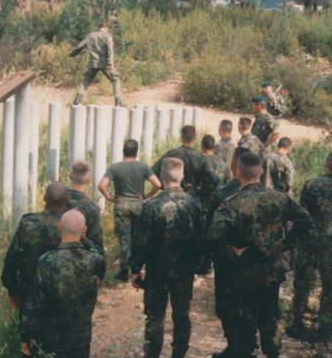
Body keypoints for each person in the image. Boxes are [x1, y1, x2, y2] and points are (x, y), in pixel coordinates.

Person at [208, 152, 312, 358]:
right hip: (272, 269)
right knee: (269, 318)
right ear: (262, 170)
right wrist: (284, 245)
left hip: (242, 272)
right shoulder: (280, 199)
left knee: (244, 324)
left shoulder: (232, 204)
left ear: (238, 172)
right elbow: (306, 221)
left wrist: (232, 253)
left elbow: (213, 236)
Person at [130, 158, 204, 358]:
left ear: (161, 177)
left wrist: (135, 269)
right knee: (182, 315)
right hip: (184, 271)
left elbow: (140, 241)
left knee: (155, 317)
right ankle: (179, 354)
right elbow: (201, 238)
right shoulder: (194, 204)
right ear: (182, 176)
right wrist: (198, 266)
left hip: (157, 270)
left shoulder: (151, 205)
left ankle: (152, 355)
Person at [20, 210, 106, 358]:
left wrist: (25, 336)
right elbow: (97, 250)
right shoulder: (95, 259)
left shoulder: (48, 262)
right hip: (81, 336)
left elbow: (34, 304)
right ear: (84, 230)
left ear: (59, 227)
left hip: (51, 338)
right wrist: (83, 238)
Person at [1, 182, 70, 355]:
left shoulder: (28, 222)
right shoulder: (72, 226)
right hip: (62, 296)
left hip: (28, 294)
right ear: (67, 200)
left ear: (45, 199)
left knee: (29, 344)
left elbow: (12, 260)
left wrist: (13, 290)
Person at [98, 139, 161, 280]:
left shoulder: (115, 167)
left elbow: (101, 185)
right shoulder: (143, 167)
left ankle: (124, 271)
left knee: (124, 239)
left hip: (121, 205)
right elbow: (157, 184)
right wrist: (147, 195)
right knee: (138, 237)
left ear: (123, 151)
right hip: (138, 205)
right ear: (136, 152)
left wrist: (108, 197)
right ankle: (136, 268)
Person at [206, 147, 248, 358]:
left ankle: (234, 346)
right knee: (249, 305)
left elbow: (209, 232)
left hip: (226, 261)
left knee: (225, 305)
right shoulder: (271, 196)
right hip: (256, 261)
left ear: (233, 167)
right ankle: (247, 348)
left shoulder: (221, 195)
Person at [288, 152, 332, 341]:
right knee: (330, 286)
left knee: (303, 283)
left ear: (326, 164)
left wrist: (295, 238)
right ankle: (325, 327)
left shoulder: (312, 185)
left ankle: (297, 324)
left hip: (310, 241)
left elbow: (302, 215)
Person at [152, 125, 220, 204]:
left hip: (171, 200)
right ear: (195, 138)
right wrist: (199, 191)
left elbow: (153, 173)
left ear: (181, 138)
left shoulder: (171, 154)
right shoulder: (201, 159)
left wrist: (165, 186)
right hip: (193, 201)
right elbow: (214, 181)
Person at [70, 20, 125, 106]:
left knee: (86, 80)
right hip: (105, 64)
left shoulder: (90, 36)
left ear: (99, 27)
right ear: (106, 28)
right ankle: (118, 100)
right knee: (116, 79)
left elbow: (80, 46)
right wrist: (110, 62)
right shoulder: (107, 35)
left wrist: (73, 53)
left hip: (93, 63)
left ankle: (77, 99)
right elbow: (110, 49)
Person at [67, 161, 104, 254]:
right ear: (88, 180)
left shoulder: (57, 200)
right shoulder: (91, 209)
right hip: (80, 259)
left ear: (70, 176)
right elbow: (96, 244)